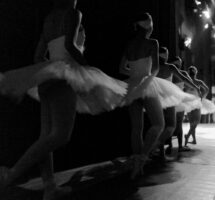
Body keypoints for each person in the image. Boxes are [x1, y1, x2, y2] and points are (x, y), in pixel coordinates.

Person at [0, 0, 127, 199]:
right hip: (64, 73)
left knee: (46, 136)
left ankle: (50, 187)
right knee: (60, 135)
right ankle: (12, 172)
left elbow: (37, 55)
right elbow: (69, 44)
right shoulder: (73, 13)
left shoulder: (49, 18)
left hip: (49, 74)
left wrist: (50, 71)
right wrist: (85, 69)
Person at [119, 13, 165, 179]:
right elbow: (156, 69)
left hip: (132, 84)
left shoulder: (130, 44)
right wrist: (145, 79)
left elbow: (121, 69)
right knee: (159, 124)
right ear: (149, 26)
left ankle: (136, 162)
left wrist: (135, 75)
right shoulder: (153, 43)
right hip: (146, 83)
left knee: (136, 128)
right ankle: (143, 158)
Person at [155, 48, 200, 158]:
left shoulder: (156, 67)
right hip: (172, 99)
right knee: (173, 125)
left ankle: (162, 148)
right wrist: (195, 87)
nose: (179, 65)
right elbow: (185, 79)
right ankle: (161, 146)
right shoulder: (172, 69)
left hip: (157, 97)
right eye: (178, 63)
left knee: (162, 125)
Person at [184, 66, 209, 146]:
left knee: (192, 122)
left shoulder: (186, 82)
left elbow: (184, 91)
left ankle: (193, 139)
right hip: (196, 102)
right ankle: (188, 136)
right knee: (196, 121)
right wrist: (203, 97)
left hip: (189, 103)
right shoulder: (198, 81)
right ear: (196, 73)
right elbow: (207, 89)